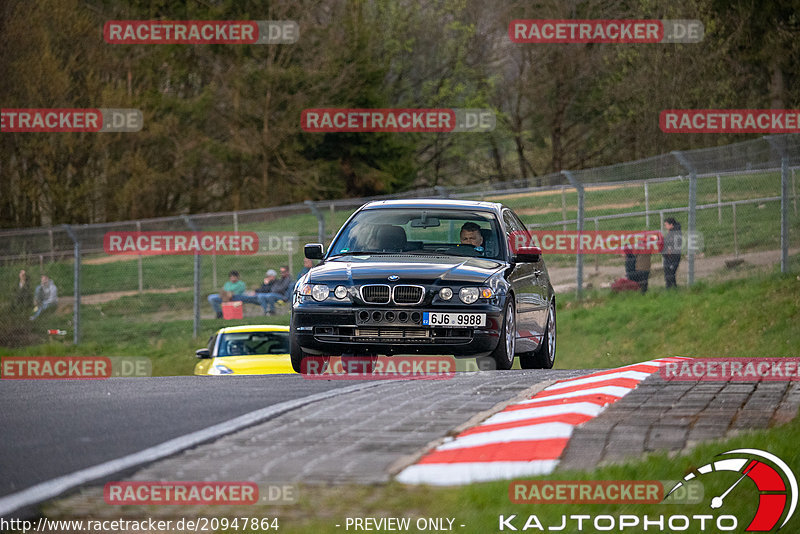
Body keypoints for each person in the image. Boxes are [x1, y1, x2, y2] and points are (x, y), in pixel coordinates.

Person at [662, 218, 683, 289]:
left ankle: (670, 288)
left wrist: (669, 249)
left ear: (671, 225)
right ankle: (673, 289)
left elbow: (675, 244)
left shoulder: (676, 233)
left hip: (673, 257)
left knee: (670, 274)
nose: (665, 227)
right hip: (668, 257)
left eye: (666, 225)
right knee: (669, 274)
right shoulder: (671, 232)